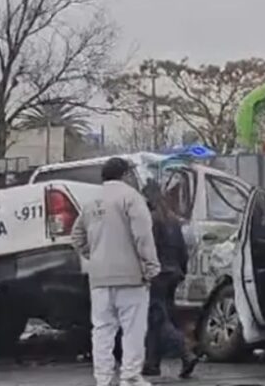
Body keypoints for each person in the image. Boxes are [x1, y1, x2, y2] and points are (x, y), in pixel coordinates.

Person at [71, 157, 161, 386]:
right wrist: (150, 266)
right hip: (131, 277)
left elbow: (77, 236)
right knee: (132, 329)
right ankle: (130, 376)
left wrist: (95, 256)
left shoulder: (91, 202)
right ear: (126, 174)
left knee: (102, 330)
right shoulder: (132, 198)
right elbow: (142, 235)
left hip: (99, 278)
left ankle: (103, 378)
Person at [141, 182, 200, 379]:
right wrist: (181, 271)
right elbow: (183, 251)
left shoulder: (151, 220)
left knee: (157, 319)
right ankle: (152, 363)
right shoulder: (173, 220)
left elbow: (147, 251)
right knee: (155, 318)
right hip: (173, 275)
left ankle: (185, 351)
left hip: (157, 275)